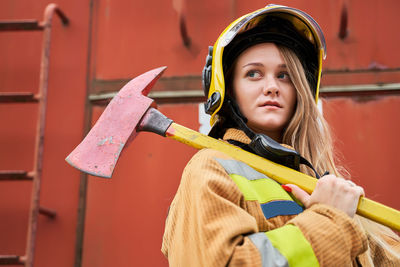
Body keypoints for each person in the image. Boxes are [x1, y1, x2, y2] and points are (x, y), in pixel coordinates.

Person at [161, 4, 400, 266]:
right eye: (253, 74)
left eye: (284, 75)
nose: (272, 87)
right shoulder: (212, 169)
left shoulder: (320, 182)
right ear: (228, 90)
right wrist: (328, 219)